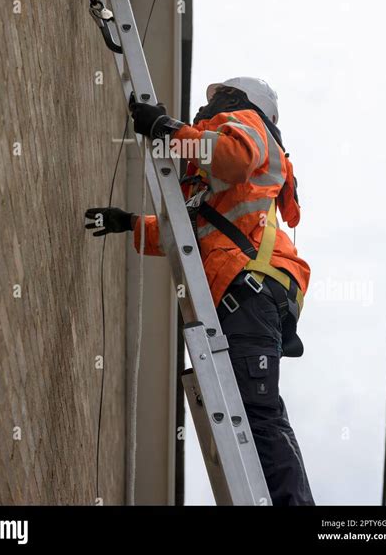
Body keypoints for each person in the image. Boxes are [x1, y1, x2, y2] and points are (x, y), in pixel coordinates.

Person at [85, 77, 315, 506]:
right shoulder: (215, 191)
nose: (208, 112)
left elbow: (229, 155)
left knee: (257, 414)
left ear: (239, 100)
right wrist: (130, 223)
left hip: (250, 291)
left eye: (218, 101)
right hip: (247, 295)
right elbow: (189, 234)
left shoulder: (249, 124)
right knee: (252, 413)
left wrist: (167, 129)